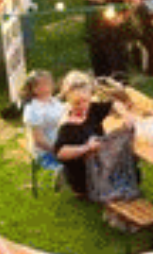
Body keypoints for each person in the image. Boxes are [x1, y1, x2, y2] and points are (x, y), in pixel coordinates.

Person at [51, 73, 118, 201]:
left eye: (85, 101)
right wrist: (86, 148)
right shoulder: (67, 125)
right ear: (68, 100)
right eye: (77, 103)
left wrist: (126, 115)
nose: (82, 106)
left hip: (97, 167)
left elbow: (114, 105)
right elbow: (60, 153)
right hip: (83, 179)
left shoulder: (91, 109)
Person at [79, 0, 141, 79]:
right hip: (94, 29)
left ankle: (119, 82)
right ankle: (101, 80)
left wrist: (122, 17)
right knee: (97, 58)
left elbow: (135, 1)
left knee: (114, 59)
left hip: (112, 32)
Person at [18, 69, 66, 173]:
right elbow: (39, 140)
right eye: (45, 84)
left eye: (50, 82)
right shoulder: (32, 109)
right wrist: (57, 150)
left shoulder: (55, 101)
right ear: (35, 89)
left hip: (64, 144)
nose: (50, 85)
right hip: (47, 152)